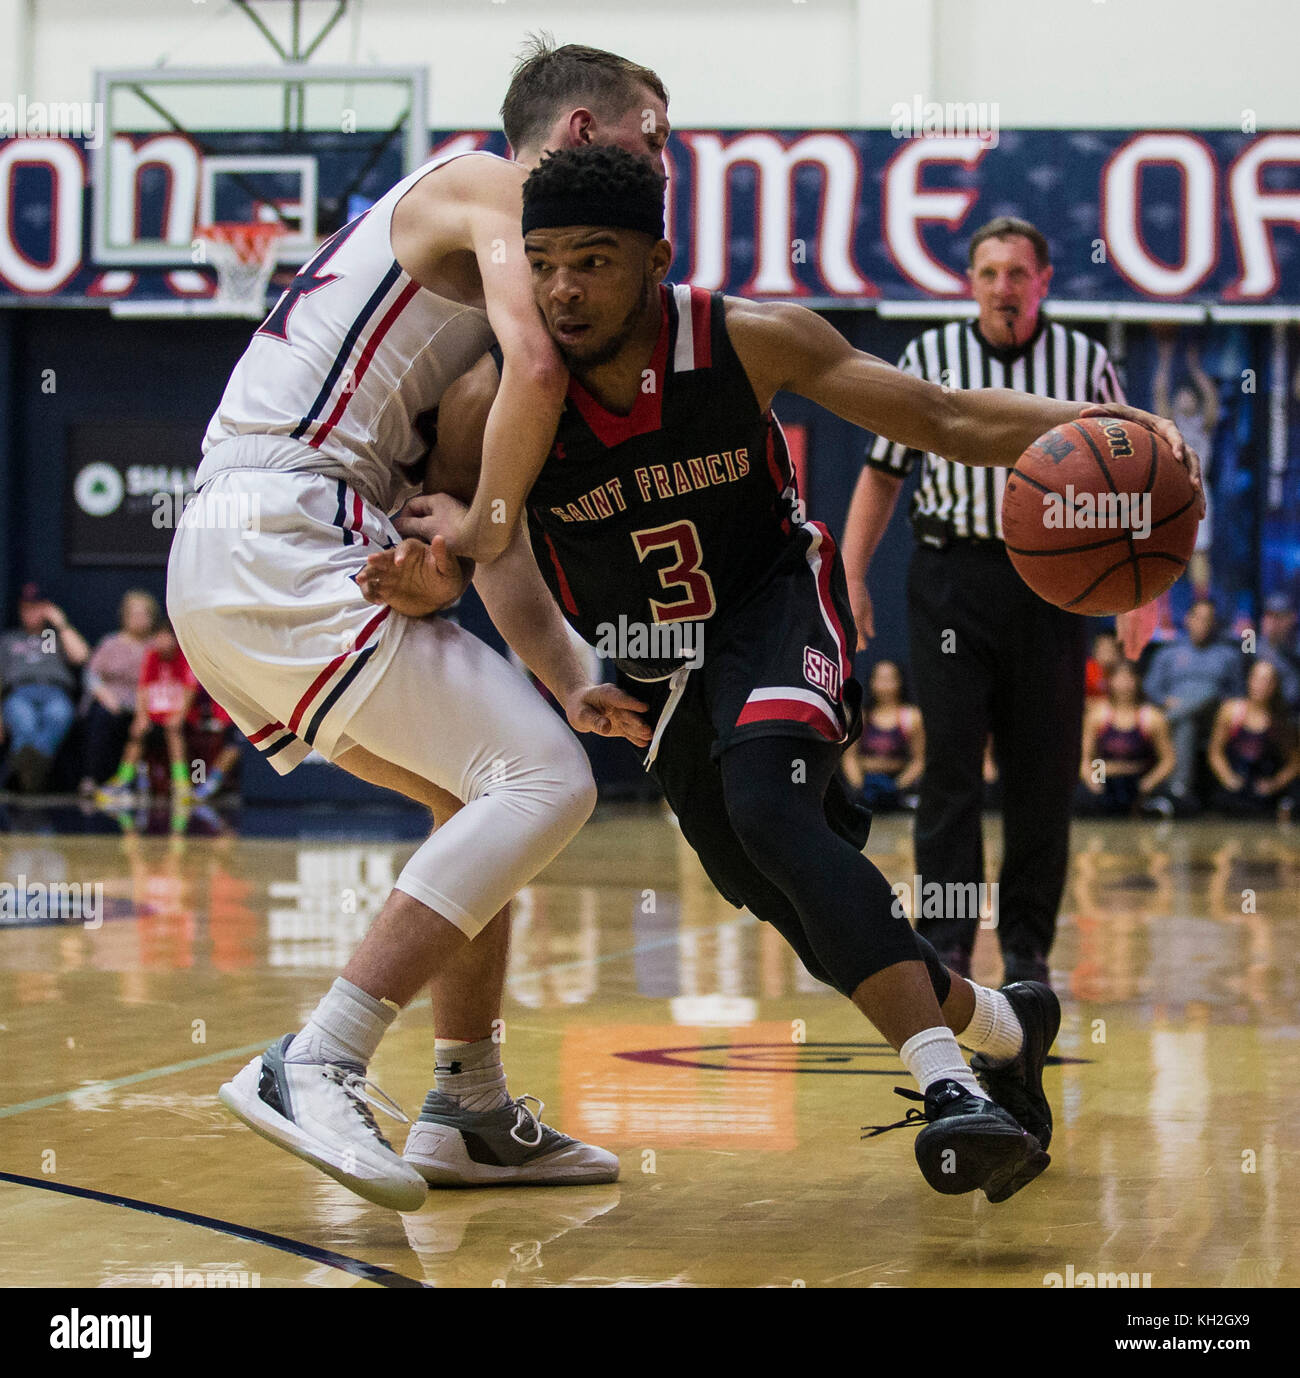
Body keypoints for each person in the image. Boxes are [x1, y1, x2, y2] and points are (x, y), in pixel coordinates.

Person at [361, 146, 1201, 1202]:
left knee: (769, 806)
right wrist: (566, 672)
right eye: (542, 263)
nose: (564, 287)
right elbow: (503, 554)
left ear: (656, 258)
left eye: (593, 260)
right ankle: (1004, 1023)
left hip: (770, 609)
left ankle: (952, 1090)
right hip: (655, 663)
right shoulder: (506, 393)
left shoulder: (744, 338)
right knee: (781, 894)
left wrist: (1101, 424)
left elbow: (940, 417)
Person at [165, 39, 671, 1212]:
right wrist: (473, 541)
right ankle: (318, 1057)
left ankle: (470, 1104)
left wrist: (562, 665)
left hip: (270, 544)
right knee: (547, 786)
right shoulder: (485, 185)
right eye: (654, 134)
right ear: (583, 134)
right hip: (282, 524)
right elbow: (527, 407)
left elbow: (461, 516)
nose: (666, 161)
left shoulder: (479, 330)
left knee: (482, 791)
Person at [838, 216, 1183, 987]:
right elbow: (882, 473)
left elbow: (1140, 475)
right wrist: (854, 572)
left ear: (1044, 281)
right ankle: (949, 944)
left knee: (1044, 772)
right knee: (953, 768)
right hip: (952, 578)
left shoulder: (1085, 362)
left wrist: (1141, 591)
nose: (1003, 287)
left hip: (1056, 586)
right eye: (989, 272)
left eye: (1018, 273)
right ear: (970, 282)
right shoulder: (928, 359)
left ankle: (1027, 949)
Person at [1144, 599, 1243, 812]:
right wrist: (1164, 701)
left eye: (1208, 619)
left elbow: (1237, 693)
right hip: (1178, 713)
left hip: (1215, 717)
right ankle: (1179, 791)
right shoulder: (1167, 653)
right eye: (1198, 618)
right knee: (1186, 723)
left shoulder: (1228, 655)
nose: (1203, 624)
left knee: (1208, 692)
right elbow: (1151, 688)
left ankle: (1165, 724)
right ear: (1188, 620)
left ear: (1215, 623)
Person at [0, 584, 90, 793]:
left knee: (58, 714)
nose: (31, 612)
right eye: (26, 607)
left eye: (36, 607)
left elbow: (82, 656)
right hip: (19, 692)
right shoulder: (9, 639)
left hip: (55, 692)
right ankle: (34, 774)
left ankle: (26, 774)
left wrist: (61, 623)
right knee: (24, 719)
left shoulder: (57, 637)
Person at [98, 622, 198, 803]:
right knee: (137, 734)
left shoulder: (184, 657)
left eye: (165, 637)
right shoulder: (151, 656)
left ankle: (181, 782)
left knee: (173, 731)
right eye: (158, 637)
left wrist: (179, 715)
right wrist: (141, 717)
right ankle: (124, 779)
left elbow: (190, 688)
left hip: (178, 717)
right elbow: (143, 689)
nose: (161, 642)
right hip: (154, 716)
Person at [1153, 325, 1217, 599]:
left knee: (1200, 551)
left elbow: (1211, 397)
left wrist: (1195, 367)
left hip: (1198, 489)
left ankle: (1202, 604)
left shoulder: (1203, 424)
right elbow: (1160, 394)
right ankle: (1163, 611)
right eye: (1180, 396)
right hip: (1173, 491)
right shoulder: (1171, 426)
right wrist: (1165, 358)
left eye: (1189, 395)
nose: (1184, 397)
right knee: (1162, 550)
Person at [78, 590, 159, 795]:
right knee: (102, 716)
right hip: (112, 702)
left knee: (146, 727)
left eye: (144, 614)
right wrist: (105, 696)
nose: (139, 619)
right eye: (134, 614)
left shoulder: (157, 647)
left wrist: (144, 710)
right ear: (124, 616)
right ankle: (94, 779)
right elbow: (91, 675)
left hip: (146, 705)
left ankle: (133, 782)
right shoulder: (111, 643)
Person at [1077, 661, 1176, 817]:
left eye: (1129, 678)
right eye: (1119, 678)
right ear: (1110, 682)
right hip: (1104, 775)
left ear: (1137, 681)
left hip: (1139, 778)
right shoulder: (1098, 714)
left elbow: (1168, 760)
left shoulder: (1152, 717)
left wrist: (1149, 782)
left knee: (1176, 806)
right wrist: (1093, 782)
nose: (1124, 684)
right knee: (1083, 802)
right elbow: (1085, 757)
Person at [1206, 661, 1300, 818]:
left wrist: (1274, 784)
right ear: (1249, 680)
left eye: (1267, 681)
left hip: (1264, 792)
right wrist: (1227, 778)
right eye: (1257, 678)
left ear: (1275, 686)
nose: (1260, 685)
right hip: (1233, 787)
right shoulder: (1230, 711)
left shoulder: (1280, 721)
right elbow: (1215, 751)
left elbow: (1295, 763)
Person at [840, 661, 923, 811]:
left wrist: (896, 787)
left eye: (890, 679)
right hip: (865, 786)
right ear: (871, 682)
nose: (885, 685)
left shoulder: (912, 717)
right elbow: (850, 757)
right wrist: (859, 787)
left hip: (900, 789)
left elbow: (919, 761)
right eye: (880, 679)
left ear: (900, 681)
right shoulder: (861, 717)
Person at [1256, 593, 1300, 712]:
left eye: (1279, 617)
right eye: (1269, 616)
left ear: (1292, 619)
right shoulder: (1254, 644)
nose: (1274, 622)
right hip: (1261, 711)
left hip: (1292, 713)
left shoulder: (1296, 647)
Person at [1084, 630, 1120, 702]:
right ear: (1094, 651)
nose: (1106, 655)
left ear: (1119, 653)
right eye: (1103, 649)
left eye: (1111, 650)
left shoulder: (1122, 672)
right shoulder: (1086, 671)